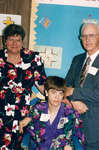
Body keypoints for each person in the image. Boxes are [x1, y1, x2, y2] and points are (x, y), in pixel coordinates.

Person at [0, 24, 46, 149]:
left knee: (17, 145)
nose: (14, 43)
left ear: (22, 41)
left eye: (18, 40)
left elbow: (41, 84)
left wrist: (54, 97)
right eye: (10, 39)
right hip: (1, 113)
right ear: (4, 41)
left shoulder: (33, 58)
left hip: (21, 114)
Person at [19, 76, 85, 150]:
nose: (57, 97)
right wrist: (28, 118)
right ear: (47, 93)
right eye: (54, 92)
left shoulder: (70, 113)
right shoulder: (38, 109)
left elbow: (78, 136)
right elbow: (31, 126)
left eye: (60, 93)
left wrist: (71, 147)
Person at [65, 19, 99, 150]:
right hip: (72, 123)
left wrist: (74, 92)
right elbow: (64, 87)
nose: (87, 39)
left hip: (95, 127)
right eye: (84, 36)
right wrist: (73, 102)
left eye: (92, 35)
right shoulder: (77, 59)